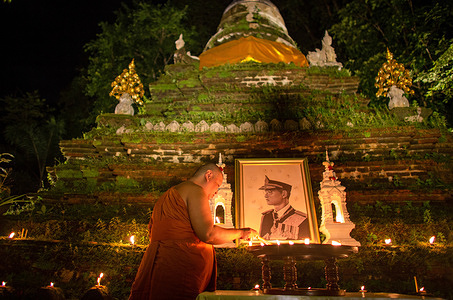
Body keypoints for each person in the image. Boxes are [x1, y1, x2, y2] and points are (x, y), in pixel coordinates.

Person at [129, 163, 257, 300]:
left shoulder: (166, 196)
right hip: (179, 267)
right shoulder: (195, 190)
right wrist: (242, 233)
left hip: (159, 263)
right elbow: (208, 234)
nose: (216, 193)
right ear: (208, 175)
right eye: (217, 185)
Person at [259, 175, 310, 240]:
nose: (265, 196)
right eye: (265, 192)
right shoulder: (266, 217)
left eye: (270, 192)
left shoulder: (302, 219)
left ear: (284, 194)